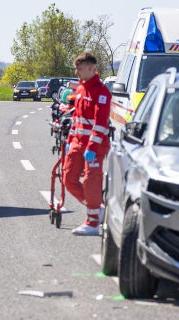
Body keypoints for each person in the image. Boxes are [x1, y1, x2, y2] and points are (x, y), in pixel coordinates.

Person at [63, 52, 111, 236]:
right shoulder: (81, 90)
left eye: (80, 69)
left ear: (91, 68)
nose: (77, 72)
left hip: (95, 147)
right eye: (76, 68)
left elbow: (100, 123)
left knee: (91, 182)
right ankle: (98, 209)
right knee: (69, 180)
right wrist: (70, 141)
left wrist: (92, 147)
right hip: (77, 143)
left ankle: (92, 222)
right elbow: (76, 119)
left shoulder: (101, 92)